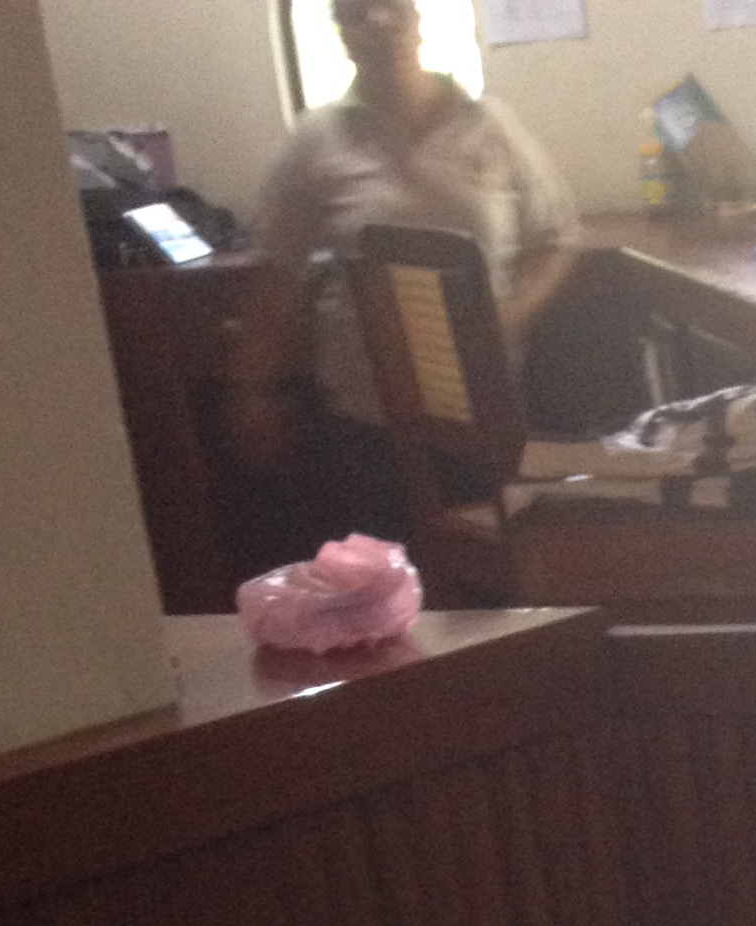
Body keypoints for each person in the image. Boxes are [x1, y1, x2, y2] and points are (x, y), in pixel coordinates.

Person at [229, 0, 578, 539]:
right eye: (356, 12)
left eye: (390, 7)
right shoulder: (317, 140)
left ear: (416, 19)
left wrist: (511, 315)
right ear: (340, 32)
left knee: (496, 572)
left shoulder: (491, 124)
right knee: (384, 576)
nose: (378, 24)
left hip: (485, 407)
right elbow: (276, 274)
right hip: (368, 419)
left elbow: (555, 238)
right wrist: (254, 392)